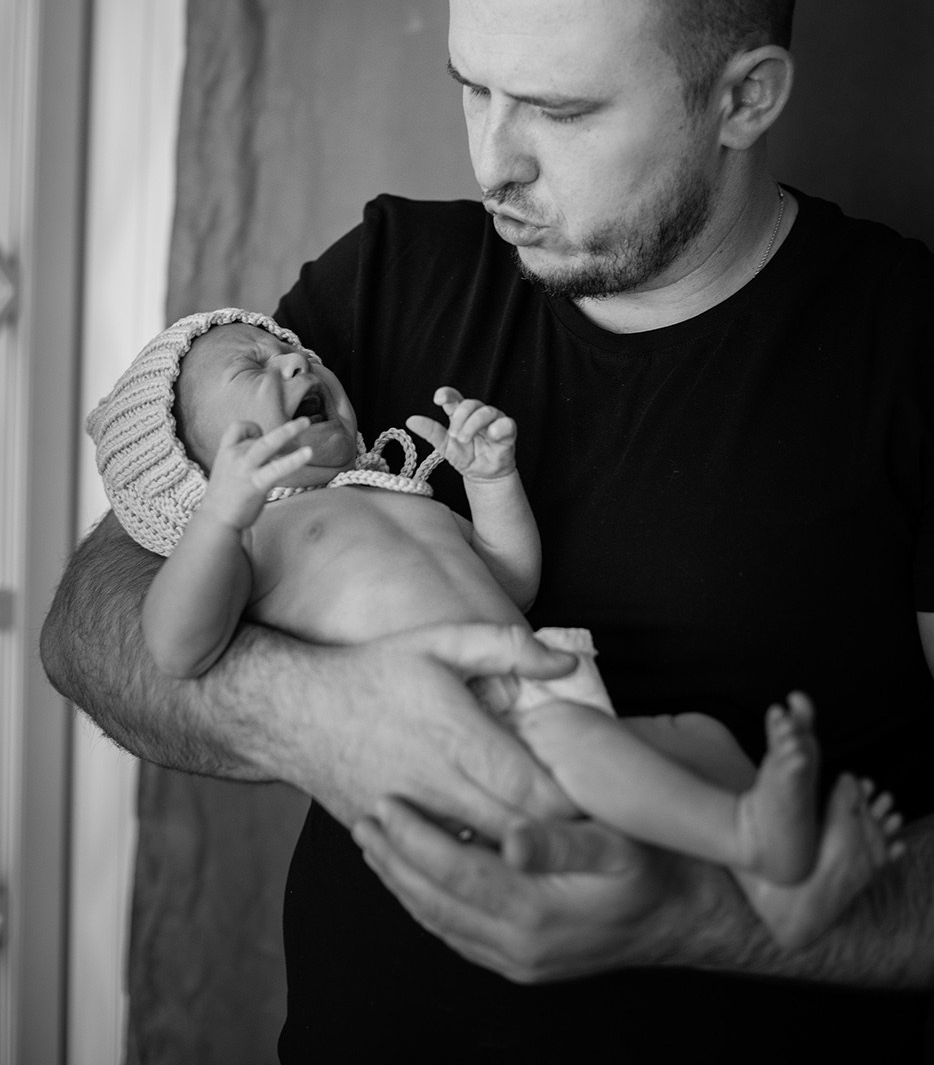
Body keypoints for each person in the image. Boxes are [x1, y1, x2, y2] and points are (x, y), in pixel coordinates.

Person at [41, 0, 934, 1061]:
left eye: (559, 112)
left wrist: (701, 917)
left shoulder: (905, 349)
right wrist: (323, 713)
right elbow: (97, 617)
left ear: (744, 97)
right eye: (472, 88)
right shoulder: (395, 271)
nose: (492, 164)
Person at [86, 305, 903, 952]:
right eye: (253, 367)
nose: (295, 360)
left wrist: (493, 483)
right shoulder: (252, 538)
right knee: (595, 756)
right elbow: (176, 645)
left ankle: (780, 898)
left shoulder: (389, 487)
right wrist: (221, 520)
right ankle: (748, 834)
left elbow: (507, 580)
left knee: (700, 739)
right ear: (198, 474)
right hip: (464, 723)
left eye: (288, 347)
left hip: (535, 678)